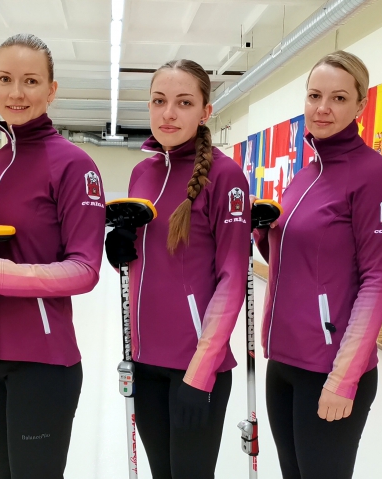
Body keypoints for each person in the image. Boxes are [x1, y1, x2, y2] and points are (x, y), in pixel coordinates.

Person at [0, 34, 105, 479]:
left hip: (43, 363)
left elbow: (84, 270)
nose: (16, 92)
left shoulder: (74, 166)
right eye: (5, 79)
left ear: (51, 90)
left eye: (31, 81)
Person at [255, 51, 382, 479]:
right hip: (283, 361)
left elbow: (377, 283)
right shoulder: (305, 175)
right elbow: (295, 263)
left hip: (328, 366)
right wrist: (263, 233)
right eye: (314, 95)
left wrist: (344, 378)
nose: (322, 108)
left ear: (360, 105)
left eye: (338, 98)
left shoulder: (375, 177)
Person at [105, 59, 250, 479]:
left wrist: (200, 374)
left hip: (195, 366)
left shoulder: (226, 176)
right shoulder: (141, 173)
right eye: (159, 101)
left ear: (205, 111)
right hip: (145, 363)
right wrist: (121, 254)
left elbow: (231, 281)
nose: (168, 113)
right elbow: (152, 269)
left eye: (183, 102)